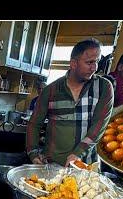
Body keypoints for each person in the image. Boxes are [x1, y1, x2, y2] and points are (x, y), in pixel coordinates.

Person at [26, 38, 114, 167]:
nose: (94, 67)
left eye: (97, 61)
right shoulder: (50, 90)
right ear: (73, 63)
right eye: (89, 62)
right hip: (51, 165)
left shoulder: (103, 87)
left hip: (86, 166)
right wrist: (33, 153)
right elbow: (34, 124)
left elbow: (99, 126)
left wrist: (78, 153)